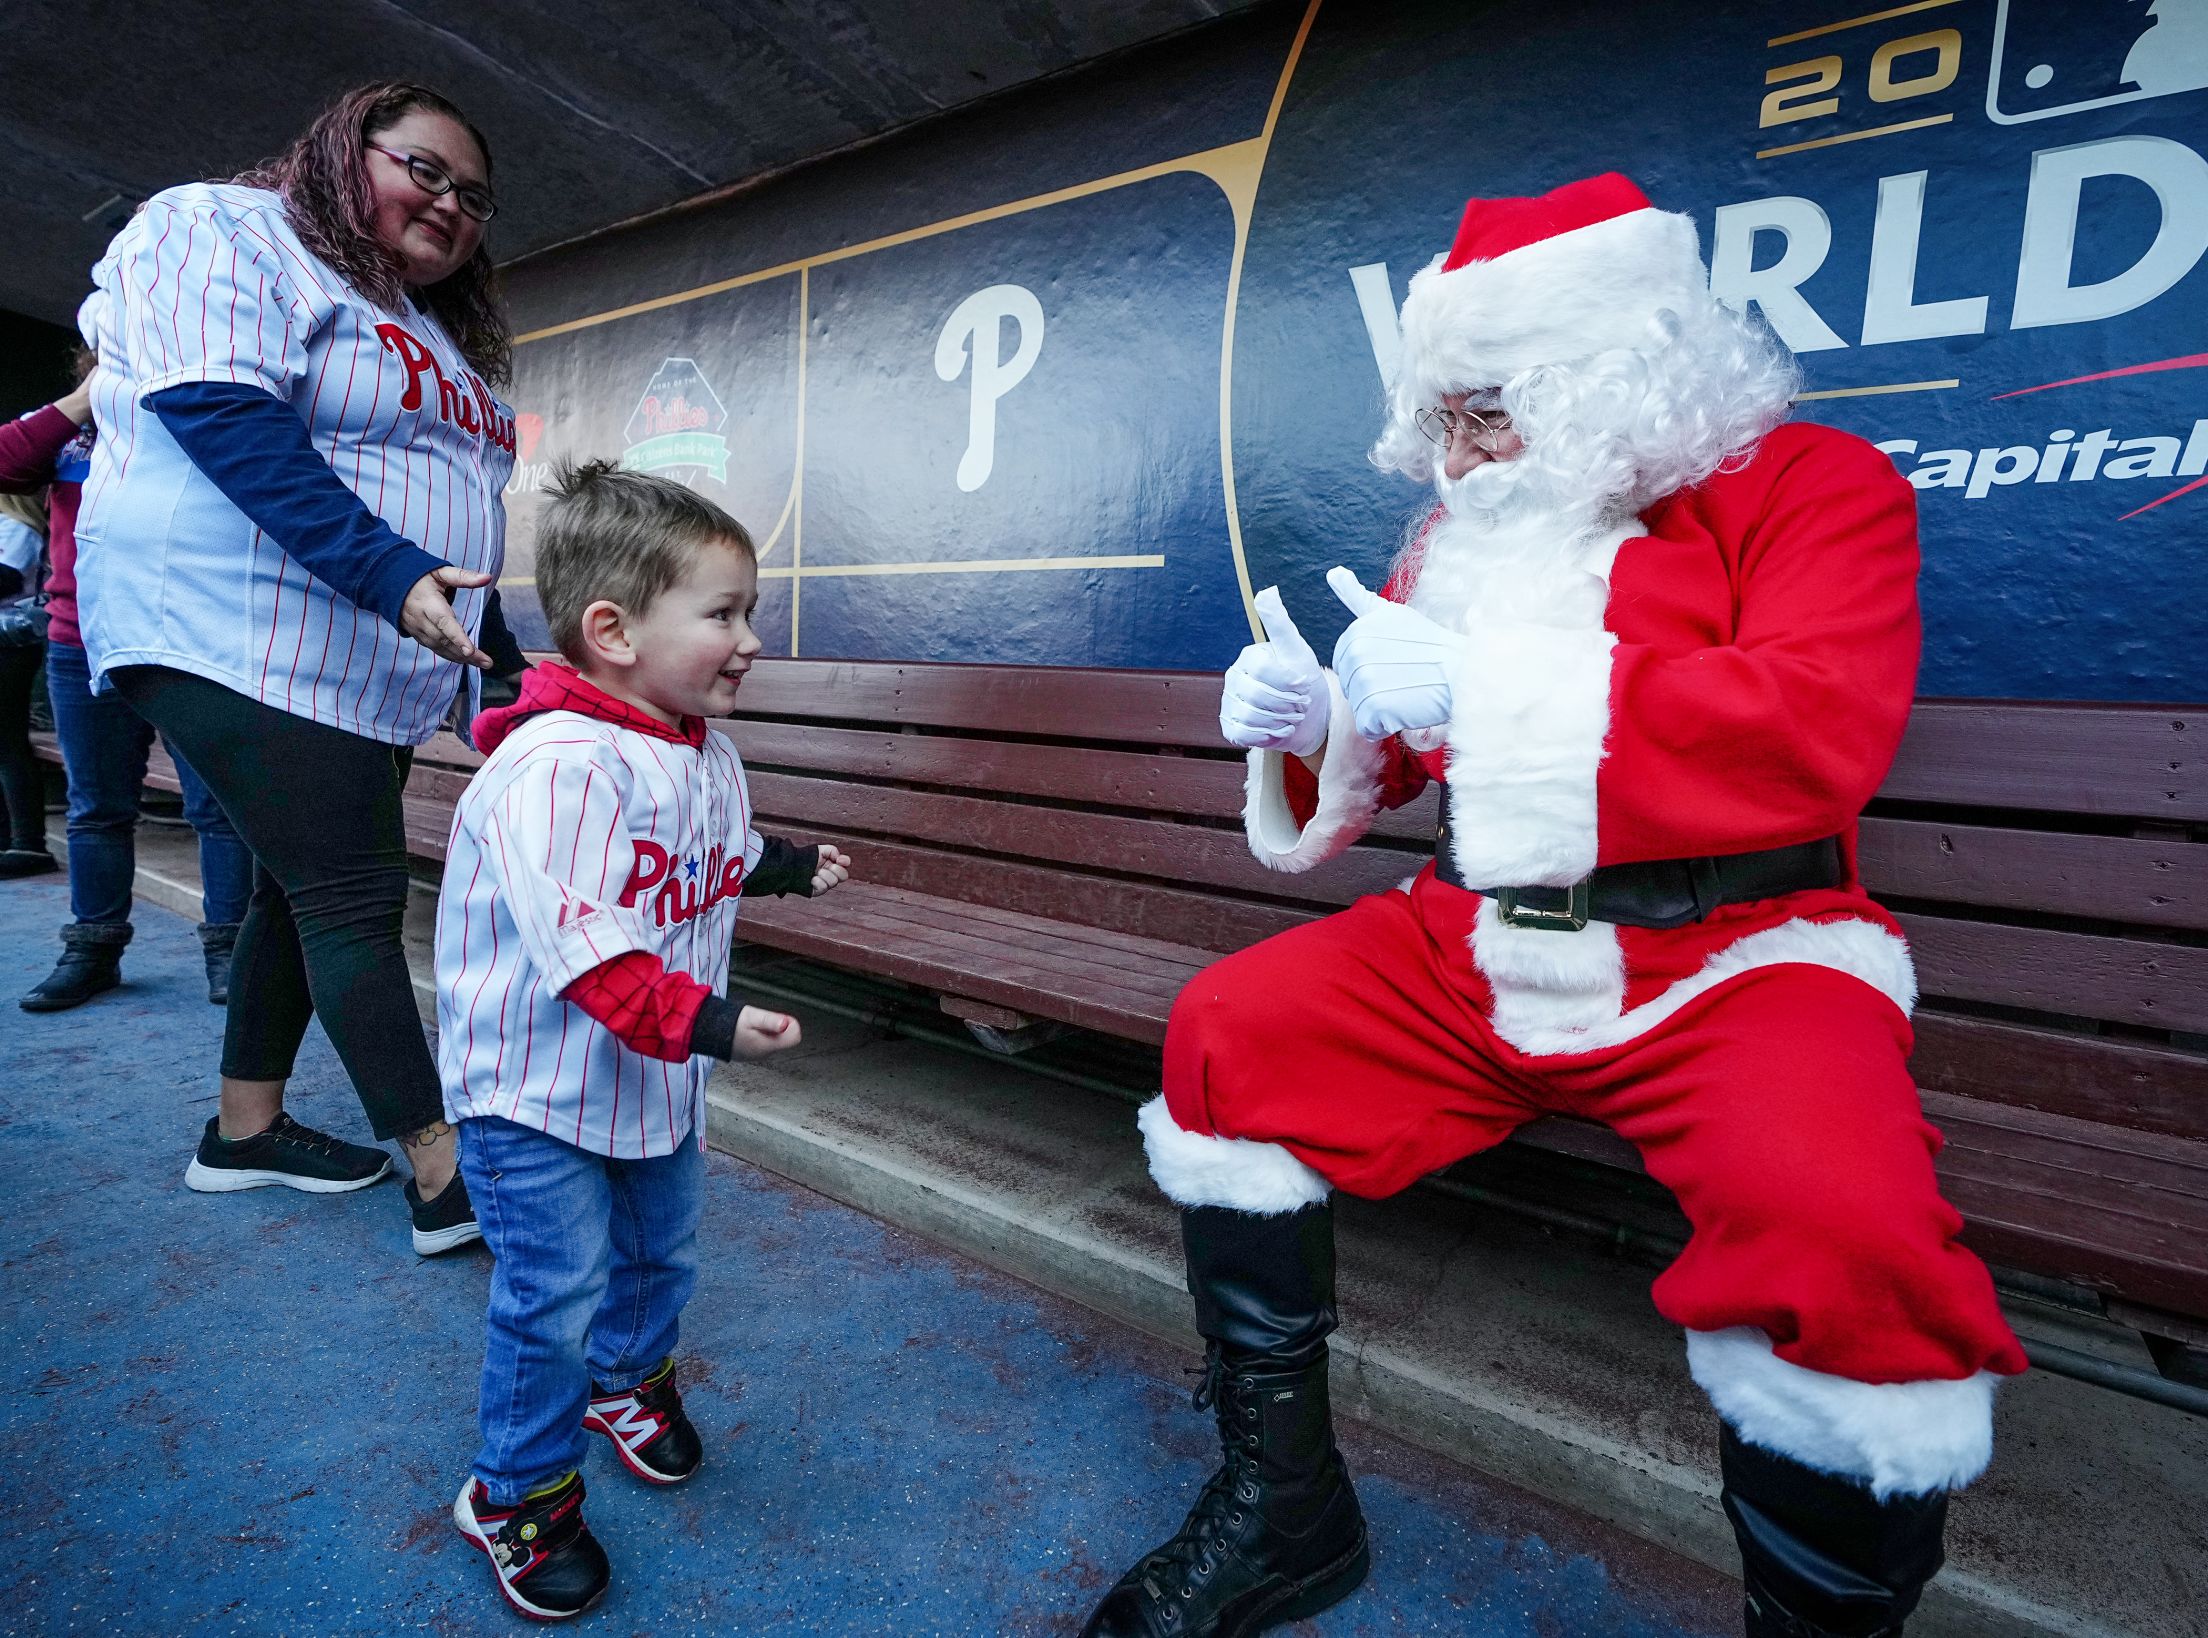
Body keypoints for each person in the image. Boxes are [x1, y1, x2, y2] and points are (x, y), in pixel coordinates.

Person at [1081, 174, 2027, 1638]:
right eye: (1441, 419)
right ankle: (1287, 1510)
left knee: (1845, 1231)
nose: (1451, 458)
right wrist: (1304, 715)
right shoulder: (1464, 529)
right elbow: (1395, 758)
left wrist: (1487, 689)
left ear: (1613, 377)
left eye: (1485, 414)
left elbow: (1812, 727)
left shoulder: (1818, 490)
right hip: (1475, 942)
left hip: (1741, 955)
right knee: (1228, 1028)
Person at [72, 82, 515, 1251]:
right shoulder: (224, 224)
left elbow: (465, 503)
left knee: (294, 886)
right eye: (424, 169)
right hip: (232, 620)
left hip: (360, 650)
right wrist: (389, 574)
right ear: (341, 145)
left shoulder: (421, 323)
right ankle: (447, 1178)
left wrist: (503, 661)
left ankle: (247, 1130)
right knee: (353, 892)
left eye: (472, 196)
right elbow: (221, 412)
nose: (451, 203)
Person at [437, 464, 851, 1621]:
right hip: (535, 1091)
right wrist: (716, 1022)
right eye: (722, 613)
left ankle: (626, 1387)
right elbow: (597, 959)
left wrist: (786, 869)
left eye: (745, 611)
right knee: (551, 1292)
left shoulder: (698, 743)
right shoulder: (556, 769)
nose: (750, 639)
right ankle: (514, 1491)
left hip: (649, 1077)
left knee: (662, 1256)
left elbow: (713, 848)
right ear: (611, 631)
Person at [0, 358, 256, 1007]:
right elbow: (6, 462)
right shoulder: (73, 425)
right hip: (82, 637)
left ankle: (229, 950)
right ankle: (94, 948)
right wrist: (85, 399)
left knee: (215, 806)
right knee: (97, 807)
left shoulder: (198, 396)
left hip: (187, 634)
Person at [0, 491, 50, 878]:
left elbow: (7, 577)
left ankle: (28, 844)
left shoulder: (17, 524)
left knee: (9, 742)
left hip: (11, 645)